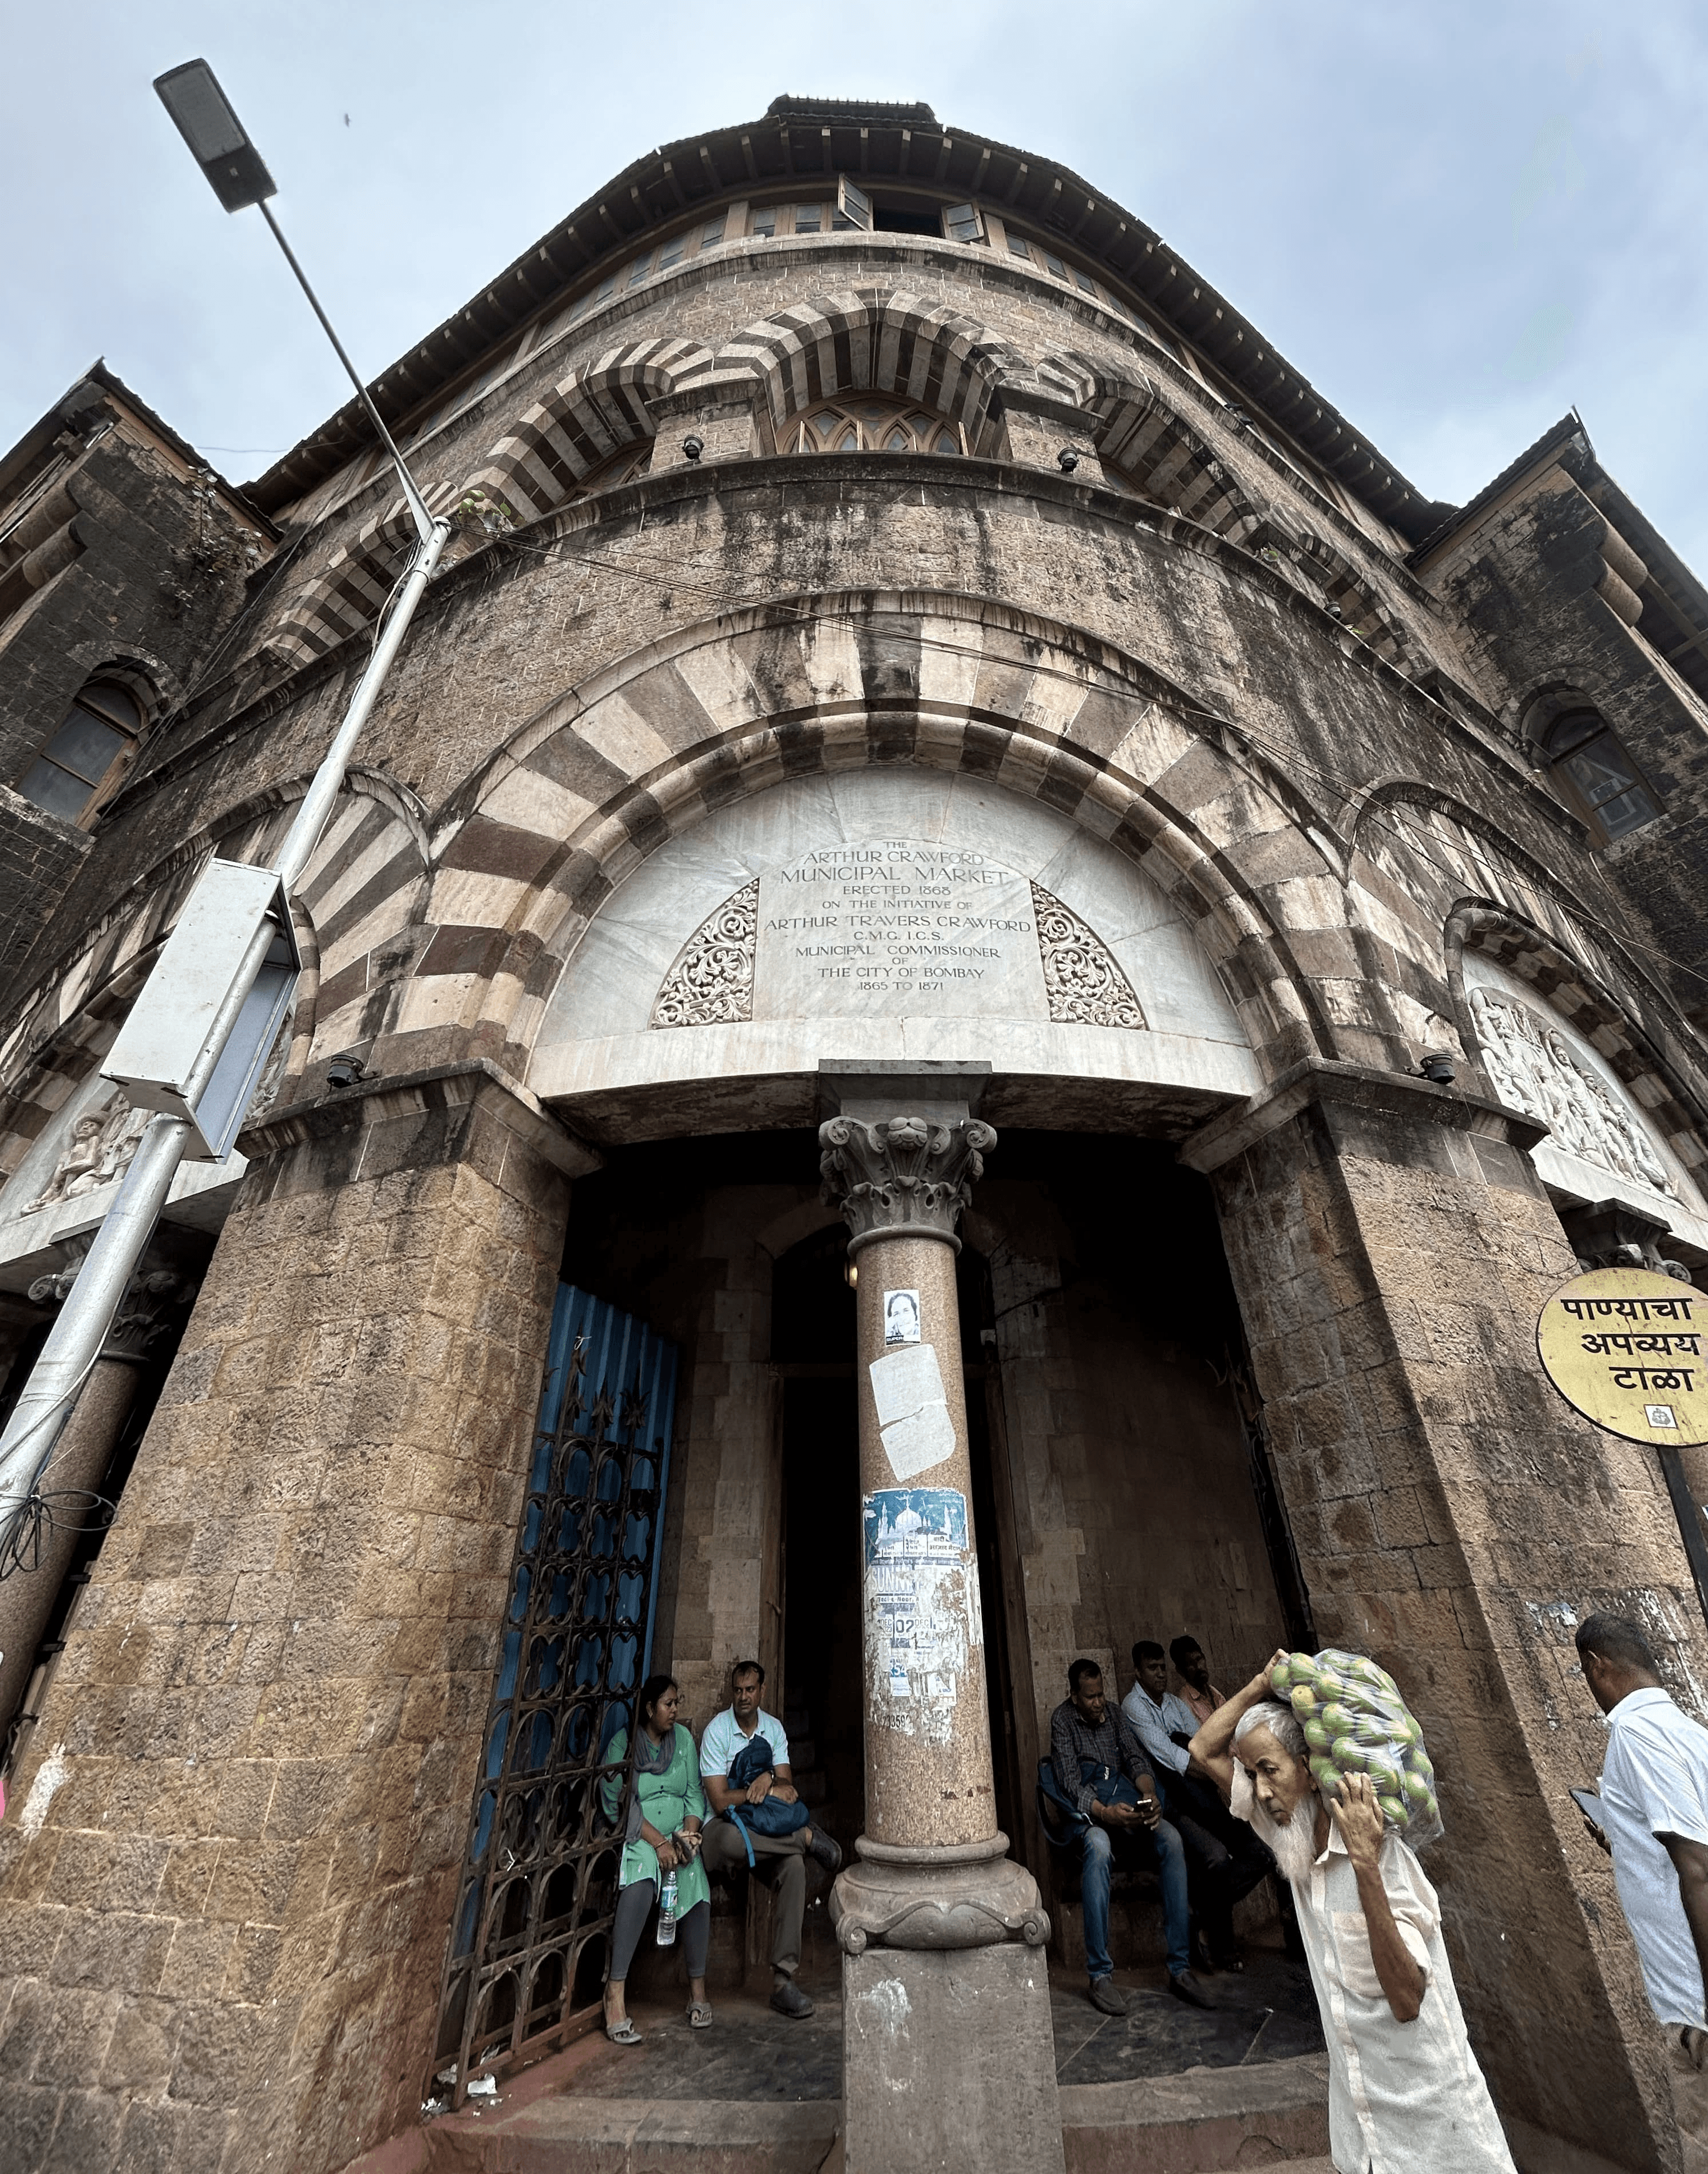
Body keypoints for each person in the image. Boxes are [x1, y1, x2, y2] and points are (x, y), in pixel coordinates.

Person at [1191, 1650, 1516, 2173]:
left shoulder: (1384, 1859)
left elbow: (1407, 1998)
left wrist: (1364, 1866)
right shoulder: (1289, 1833)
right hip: (1360, 2137)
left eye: (1269, 1770)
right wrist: (1259, 1684)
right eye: (1252, 1774)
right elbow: (1202, 1748)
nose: (1261, 1790)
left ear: (1311, 1771)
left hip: (1435, 2133)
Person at [1576, 1611, 1708, 2167]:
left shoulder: (1635, 1734)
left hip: (1696, 2000)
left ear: (1596, 1665)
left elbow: (1697, 1864)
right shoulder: (1691, 1733)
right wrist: (1624, 1846)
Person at [1049, 1657, 1208, 2015]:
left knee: (1170, 1838)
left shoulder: (1117, 1714)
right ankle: (1100, 1974)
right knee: (1099, 1847)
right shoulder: (1062, 1720)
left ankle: (1180, 1969)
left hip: (1124, 1806)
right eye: (1090, 1697)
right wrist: (1105, 1814)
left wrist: (1149, 1793)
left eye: (1101, 1694)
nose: (1098, 1702)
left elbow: (1136, 1759)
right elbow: (1069, 1783)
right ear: (1074, 1696)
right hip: (1089, 1816)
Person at [698, 1658, 842, 2018]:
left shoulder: (774, 1729)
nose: (744, 1697)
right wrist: (756, 1786)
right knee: (730, 1840)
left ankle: (783, 1982)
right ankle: (805, 1838)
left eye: (750, 1690)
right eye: (738, 1690)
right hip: (721, 1829)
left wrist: (771, 1782)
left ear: (762, 1691)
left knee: (794, 1869)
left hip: (762, 1829)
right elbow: (718, 1802)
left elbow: (788, 1788)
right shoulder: (717, 1731)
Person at [1123, 1640, 1273, 1971]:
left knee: (1259, 1853)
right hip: (1171, 1804)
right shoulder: (1134, 1706)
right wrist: (1210, 1766)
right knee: (1217, 1857)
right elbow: (1176, 1757)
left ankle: (1200, 1915)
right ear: (1137, 1672)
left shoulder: (1175, 1705)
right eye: (1152, 1668)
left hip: (1201, 1796)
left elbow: (1206, 1745)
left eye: (1162, 1667)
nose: (1160, 1674)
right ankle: (1221, 1946)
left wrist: (1211, 1766)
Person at [597, 1673, 712, 2044]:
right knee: (641, 1881)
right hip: (642, 1835)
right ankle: (615, 1994)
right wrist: (660, 1842)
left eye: (677, 1702)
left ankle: (698, 1992)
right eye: (668, 1704)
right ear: (649, 1708)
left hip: (676, 1833)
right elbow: (620, 1801)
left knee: (695, 1880)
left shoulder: (684, 1742)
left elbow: (695, 1793)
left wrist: (688, 1835)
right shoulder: (624, 1745)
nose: (675, 1710)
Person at [1171, 1634, 1228, 1729]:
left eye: (1199, 1659)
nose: (1199, 1667)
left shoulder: (1214, 1693)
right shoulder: (1185, 1705)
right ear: (1180, 1671)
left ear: (1204, 1658)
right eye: (1190, 1664)